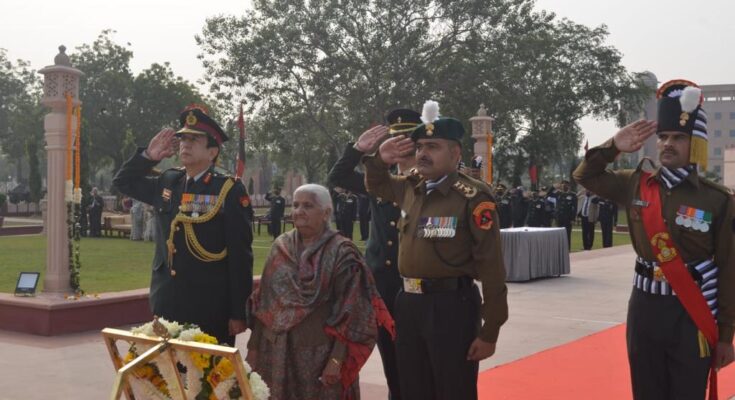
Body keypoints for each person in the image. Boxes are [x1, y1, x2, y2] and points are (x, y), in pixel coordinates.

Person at [573, 79, 735, 400]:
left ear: (697, 143)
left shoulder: (718, 200)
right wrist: (613, 146)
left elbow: (730, 270)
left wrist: (726, 335)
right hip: (645, 308)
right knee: (646, 392)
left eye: (678, 137)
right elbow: (584, 176)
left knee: (687, 393)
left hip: (692, 311)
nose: (667, 144)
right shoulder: (635, 184)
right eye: (662, 137)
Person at [364, 101, 508, 400]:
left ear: (455, 154)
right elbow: (376, 183)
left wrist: (490, 329)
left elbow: (492, 267)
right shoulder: (410, 187)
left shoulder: (472, 197)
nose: (422, 154)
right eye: (419, 147)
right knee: (413, 388)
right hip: (408, 305)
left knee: (452, 389)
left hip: (451, 307)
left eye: (432, 146)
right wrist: (380, 158)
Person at [113, 104, 254, 345]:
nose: (185, 144)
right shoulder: (169, 181)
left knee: (208, 377)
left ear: (212, 152)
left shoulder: (227, 189)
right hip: (167, 301)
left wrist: (238, 313)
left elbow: (240, 256)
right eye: (183, 139)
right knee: (167, 375)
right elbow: (123, 182)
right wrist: (148, 157)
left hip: (209, 306)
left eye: (195, 139)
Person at [246, 183, 393, 400]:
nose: (299, 211)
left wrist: (336, 360)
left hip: (319, 354)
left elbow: (351, 312)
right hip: (275, 353)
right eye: (295, 205)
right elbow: (264, 303)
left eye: (308, 205)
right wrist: (254, 347)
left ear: (325, 213)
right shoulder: (280, 246)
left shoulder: (343, 253)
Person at [327, 108, 422, 399]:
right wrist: (358, 150)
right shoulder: (377, 181)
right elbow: (338, 176)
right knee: (392, 360)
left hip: (420, 284)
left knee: (421, 361)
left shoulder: (432, 181)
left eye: (407, 139)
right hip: (383, 285)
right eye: (395, 139)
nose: (400, 146)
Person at [555, 180, 577, 249]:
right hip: (559, 218)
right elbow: (549, 194)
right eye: (562, 184)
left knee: (567, 234)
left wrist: (573, 218)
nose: (564, 186)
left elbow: (574, 208)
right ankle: (560, 248)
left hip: (568, 218)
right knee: (559, 234)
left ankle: (567, 249)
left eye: (565, 185)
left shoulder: (573, 195)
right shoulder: (558, 194)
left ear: (568, 186)